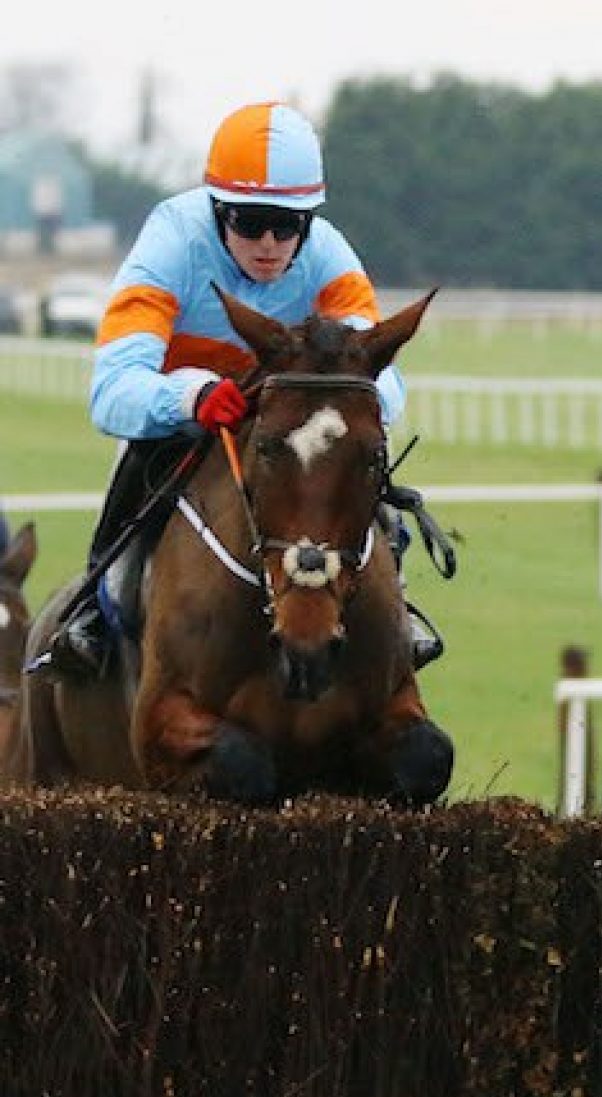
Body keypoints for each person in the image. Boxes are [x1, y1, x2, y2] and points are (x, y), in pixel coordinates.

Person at [40, 101, 444, 677]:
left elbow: (385, 385)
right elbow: (111, 390)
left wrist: (337, 406)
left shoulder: (328, 253)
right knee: (133, 480)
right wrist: (192, 397)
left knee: (356, 476)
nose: (270, 244)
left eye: (288, 226)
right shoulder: (171, 242)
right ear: (217, 210)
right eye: (249, 223)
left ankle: (395, 619)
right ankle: (93, 617)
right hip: (181, 424)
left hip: (283, 430)